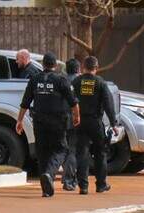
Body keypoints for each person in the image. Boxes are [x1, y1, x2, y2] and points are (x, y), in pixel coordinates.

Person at [16, 52, 80, 197]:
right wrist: (77, 116)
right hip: (57, 121)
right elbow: (73, 102)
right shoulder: (61, 80)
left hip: (39, 122)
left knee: (42, 152)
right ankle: (49, 174)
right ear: (55, 65)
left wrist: (19, 121)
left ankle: (46, 188)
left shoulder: (34, 79)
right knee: (61, 149)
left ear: (43, 64)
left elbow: (25, 103)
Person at [72, 56, 118, 195]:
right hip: (95, 122)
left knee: (82, 154)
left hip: (80, 122)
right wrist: (113, 123)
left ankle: (83, 187)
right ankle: (101, 185)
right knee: (100, 153)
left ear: (83, 67)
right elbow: (109, 105)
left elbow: (70, 100)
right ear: (96, 68)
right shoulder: (100, 83)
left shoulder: (76, 81)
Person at [62, 58, 81, 191]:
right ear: (78, 69)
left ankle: (66, 176)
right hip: (75, 119)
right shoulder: (81, 82)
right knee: (72, 151)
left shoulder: (61, 81)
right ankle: (69, 179)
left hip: (60, 119)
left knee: (62, 149)